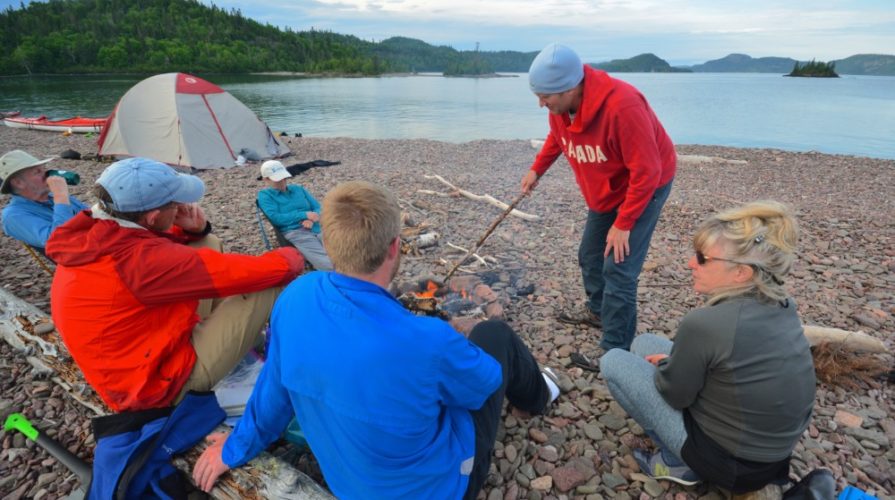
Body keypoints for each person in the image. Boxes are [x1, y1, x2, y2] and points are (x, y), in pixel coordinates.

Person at [193, 181, 562, 498]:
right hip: (440, 489)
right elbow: (483, 387)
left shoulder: (296, 296)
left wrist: (235, 448)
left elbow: (274, 390)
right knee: (492, 334)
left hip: (348, 483)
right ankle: (541, 392)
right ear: (393, 247)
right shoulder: (428, 339)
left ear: (326, 241)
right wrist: (451, 348)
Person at [46, 157, 304, 412]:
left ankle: (241, 340)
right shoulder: (141, 262)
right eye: (174, 203)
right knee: (270, 283)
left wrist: (193, 230)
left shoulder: (98, 226)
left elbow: (150, 246)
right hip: (154, 387)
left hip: (134, 353)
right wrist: (295, 255)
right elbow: (271, 270)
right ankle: (282, 353)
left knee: (206, 243)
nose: (183, 206)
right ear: (153, 216)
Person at [600, 201, 816, 493]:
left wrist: (667, 368)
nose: (691, 263)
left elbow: (675, 395)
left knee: (614, 361)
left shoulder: (705, 324)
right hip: (772, 456)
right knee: (643, 343)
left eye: (702, 258)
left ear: (741, 273)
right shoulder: (782, 304)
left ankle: (677, 462)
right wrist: (672, 363)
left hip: (732, 464)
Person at [521, 43, 676, 354]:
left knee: (619, 267)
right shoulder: (561, 109)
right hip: (607, 189)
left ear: (569, 87)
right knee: (590, 255)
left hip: (647, 185)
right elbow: (558, 137)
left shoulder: (622, 106)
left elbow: (647, 171)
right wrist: (536, 170)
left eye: (546, 97)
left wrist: (624, 222)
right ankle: (598, 311)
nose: (541, 104)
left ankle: (616, 351)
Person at [0, 149, 88, 251]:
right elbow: (60, 241)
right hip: (86, 260)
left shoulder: (51, 196)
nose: (47, 174)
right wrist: (60, 196)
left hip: (99, 244)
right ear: (18, 183)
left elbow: (91, 215)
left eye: (44, 169)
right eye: (37, 172)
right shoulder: (13, 215)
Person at [257, 160, 333, 270]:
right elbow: (275, 218)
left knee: (342, 249)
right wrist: (304, 215)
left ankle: (355, 273)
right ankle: (344, 278)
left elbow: (318, 207)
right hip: (295, 231)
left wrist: (311, 219)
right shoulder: (265, 196)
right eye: (277, 179)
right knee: (324, 259)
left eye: (284, 177)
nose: (282, 181)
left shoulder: (298, 189)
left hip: (316, 225)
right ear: (266, 179)